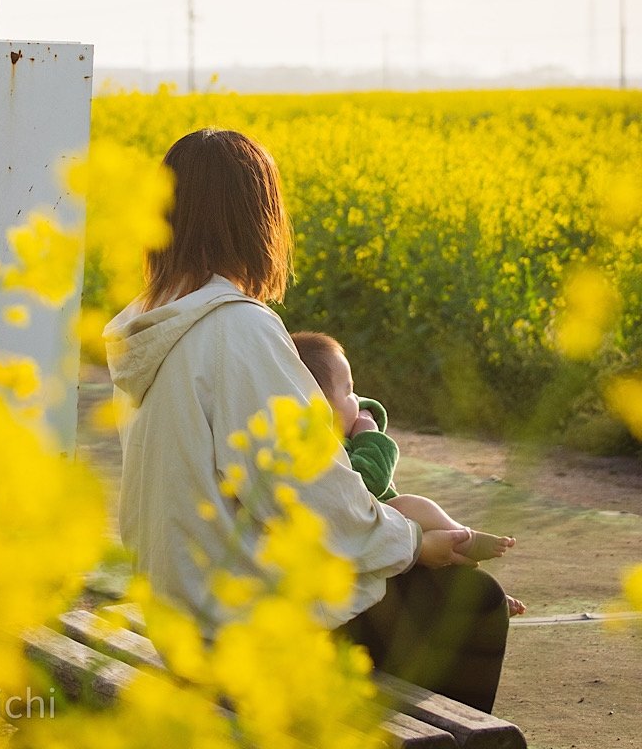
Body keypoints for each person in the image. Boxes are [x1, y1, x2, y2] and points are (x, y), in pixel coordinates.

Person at [105, 128, 510, 713]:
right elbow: (306, 494)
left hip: (178, 612)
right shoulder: (236, 328)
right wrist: (413, 543)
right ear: (257, 218)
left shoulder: (149, 327)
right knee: (470, 603)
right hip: (240, 630)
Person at [291, 330, 525, 617]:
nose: (359, 399)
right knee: (412, 507)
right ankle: (463, 539)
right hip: (370, 532)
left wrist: (361, 418)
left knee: (431, 552)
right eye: (349, 391)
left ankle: (481, 581)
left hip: (390, 539)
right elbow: (370, 482)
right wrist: (369, 435)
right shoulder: (324, 447)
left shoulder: (340, 434)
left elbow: (364, 409)